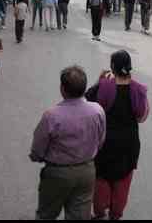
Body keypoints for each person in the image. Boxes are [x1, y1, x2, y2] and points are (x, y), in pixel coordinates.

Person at [30, 66, 106, 220]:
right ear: (84, 88)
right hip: (86, 171)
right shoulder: (97, 111)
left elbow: (38, 148)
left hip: (57, 173)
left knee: (46, 214)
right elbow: (100, 140)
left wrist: (37, 157)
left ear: (62, 89)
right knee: (79, 216)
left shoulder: (52, 116)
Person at [85, 51, 149, 220]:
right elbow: (142, 117)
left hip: (104, 145)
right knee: (123, 182)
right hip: (128, 146)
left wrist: (99, 81)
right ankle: (115, 215)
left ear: (112, 67)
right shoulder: (138, 89)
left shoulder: (104, 87)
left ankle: (99, 213)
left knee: (101, 180)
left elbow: (86, 105)